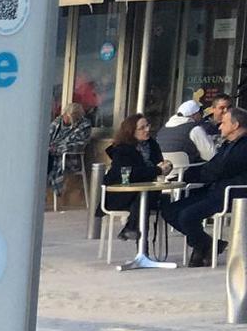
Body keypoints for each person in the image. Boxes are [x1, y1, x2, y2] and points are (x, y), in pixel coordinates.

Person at [164, 105, 247, 267]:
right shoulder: (228, 144)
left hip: (231, 194)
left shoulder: (243, 147)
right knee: (169, 210)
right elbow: (212, 167)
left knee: (187, 215)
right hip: (214, 190)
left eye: (223, 123)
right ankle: (208, 245)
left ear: (235, 125)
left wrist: (188, 177)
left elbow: (219, 169)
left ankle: (203, 246)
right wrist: (181, 178)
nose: (219, 126)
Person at [104, 114, 164, 240]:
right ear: (131, 131)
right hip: (121, 193)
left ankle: (132, 229)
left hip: (147, 191)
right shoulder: (121, 150)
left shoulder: (152, 145)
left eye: (147, 126)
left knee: (153, 199)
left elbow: (159, 163)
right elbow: (130, 174)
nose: (147, 130)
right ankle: (134, 233)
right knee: (142, 199)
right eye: (142, 128)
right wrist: (157, 170)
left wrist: (166, 166)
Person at [47, 102, 92, 190]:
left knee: (46, 162)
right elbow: (46, 137)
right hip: (50, 152)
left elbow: (78, 144)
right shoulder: (57, 122)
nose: (67, 119)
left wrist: (56, 149)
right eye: (66, 116)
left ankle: (40, 189)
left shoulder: (84, 125)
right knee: (39, 160)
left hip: (68, 158)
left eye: (71, 118)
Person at [158, 98, 217, 163]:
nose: (201, 117)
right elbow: (211, 156)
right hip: (190, 170)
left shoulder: (162, 130)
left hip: (165, 171)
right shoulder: (194, 129)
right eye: (201, 113)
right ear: (194, 114)